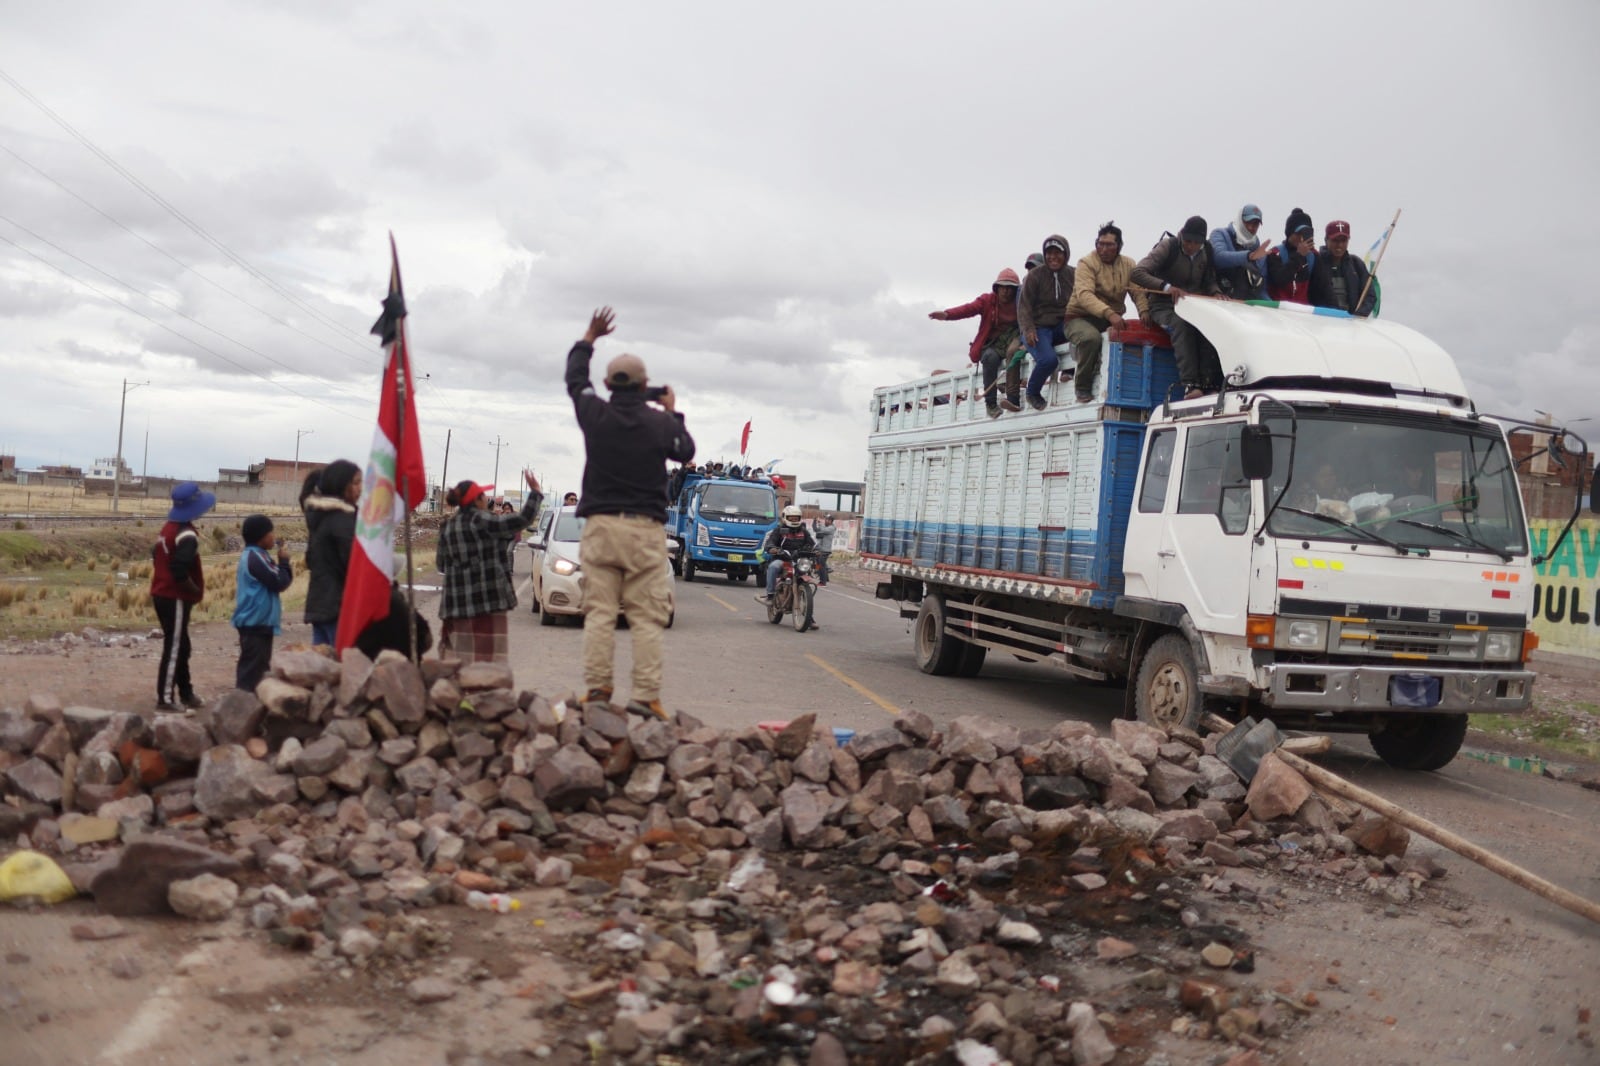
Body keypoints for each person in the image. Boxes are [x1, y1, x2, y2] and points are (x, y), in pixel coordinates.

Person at [566, 306, 696, 720]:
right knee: (645, 617)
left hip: (601, 528)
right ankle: (644, 695)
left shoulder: (594, 413)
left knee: (600, 613)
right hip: (645, 531)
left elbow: (574, 380)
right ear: (645, 387)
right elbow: (686, 451)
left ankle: (599, 690)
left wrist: (589, 337)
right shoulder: (658, 423)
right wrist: (671, 411)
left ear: (607, 384)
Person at [436, 472, 542, 663]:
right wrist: (535, 492)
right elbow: (522, 520)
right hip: (487, 604)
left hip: (455, 607)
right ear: (477, 501)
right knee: (488, 668)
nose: (488, 499)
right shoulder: (484, 521)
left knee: (456, 666)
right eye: (484, 496)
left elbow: (441, 565)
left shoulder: (447, 527)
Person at [1132, 216, 1224, 399]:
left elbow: (1210, 280)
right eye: (1187, 240)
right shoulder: (1168, 247)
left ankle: (1209, 384)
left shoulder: (1207, 251)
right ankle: (1190, 385)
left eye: (1196, 242)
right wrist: (1166, 287)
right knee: (1181, 326)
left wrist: (1216, 293)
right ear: (1182, 234)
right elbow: (1137, 272)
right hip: (1163, 305)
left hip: (1193, 306)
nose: (1190, 246)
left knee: (1210, 327)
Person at [1065, 222, 1150, 403]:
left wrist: (1144, 311)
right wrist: (1109, 313)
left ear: (1118, 246)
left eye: (1109, 245)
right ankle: (1082, 386)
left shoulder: (1128, 264)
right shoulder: (1086, 263)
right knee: (1091, 338)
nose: (1103, 249)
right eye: (1100, 244)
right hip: (1079, 317)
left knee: (1132, 335)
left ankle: (1124, 385)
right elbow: (1084, 295)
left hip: (1110, 318)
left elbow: (1137, 291)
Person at [150, 481, 215, 711]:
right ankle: (165, 698)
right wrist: (193, 589)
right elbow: (179, 569)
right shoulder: (187, 534)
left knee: (182, 645)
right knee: (175, 646)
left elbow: (155, 555)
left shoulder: (168, 528)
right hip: (174, 596)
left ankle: (186, 692)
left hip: (161, 593)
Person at [928, 268, 1024, 418]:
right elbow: (967, 309)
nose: (1005, 291)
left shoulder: (1021, 302)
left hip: (1014, 336)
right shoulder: (987, 301)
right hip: (993, 342)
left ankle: (1012, 398)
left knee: (1013, 352)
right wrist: (947, 315)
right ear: (996, 288)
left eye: (1009, 288)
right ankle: (991, 404)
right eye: (1002, 287)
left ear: (1015, 290)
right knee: (989, 358)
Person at [232, 514, 293, 694]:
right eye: (270, 533)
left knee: (257, 667)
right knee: (252, 670)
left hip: (259, 621)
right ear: (261, 537)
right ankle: (243, 707)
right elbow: (279, 582)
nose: (273, 537)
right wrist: (285, 563)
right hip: (254, 621)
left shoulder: (257, 555)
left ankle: (250, 706)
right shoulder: (255, 558)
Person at [303, 458, 361, 648]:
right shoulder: (342, 521)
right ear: (341, 485)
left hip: (320, 604)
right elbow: (354, 564)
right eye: (355, 482)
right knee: (342, 666)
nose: (360, 488)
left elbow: (310, 560)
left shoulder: (320, 517)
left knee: (321, 668)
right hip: (339, 606)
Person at [1017, 235, 1076, 410]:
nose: (1053, 257)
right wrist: (1028, 329)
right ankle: (1032, 392)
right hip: (1038, 327)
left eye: (1058, 252)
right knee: (1049, 360)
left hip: (1061, 325)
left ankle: (1070, 374)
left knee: (1083, 334)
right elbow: (1024, 307)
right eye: (1049, 253)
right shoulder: (1034, 276)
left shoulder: (1073, 274)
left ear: (1066, 254)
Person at [757, 505, 818, 619]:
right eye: (791, 518)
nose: (794, 520)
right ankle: (770, 596)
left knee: (807, 577)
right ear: (785, 517)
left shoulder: (803, 531)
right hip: (783, 559)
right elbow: (770, 542)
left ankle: (809, 616)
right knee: (773, 567)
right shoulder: (779, 530)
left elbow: (812, 544)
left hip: (798, 561)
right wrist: (773, 548)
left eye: (796, 518)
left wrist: (817, 551)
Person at [1309, 220, 1376, 316]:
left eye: (1343, 241)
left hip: (1351, 322)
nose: (1339, 245)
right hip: (1322, 321)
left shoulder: (1357, 264)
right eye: (1335, 240)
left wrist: (1360, 314)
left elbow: (1369, 295)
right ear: (1326, 240)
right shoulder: (1315, 262)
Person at [1210, 204, 1270, 300]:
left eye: (1255, 224)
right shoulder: (1220, 234)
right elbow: (1218, 257)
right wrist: (1248, 256)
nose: (1251, 227)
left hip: (1243, 307)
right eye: (1248, 222)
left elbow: (1261, 288)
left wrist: (1273, 306)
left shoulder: (1259, 250)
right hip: (1220, 301)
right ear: (1240, 220)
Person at [1266, 208, 1318, 304]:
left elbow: (1322, 289)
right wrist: (1299, 256)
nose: (1301, 237)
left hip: (1302, 312)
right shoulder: (1275, 253)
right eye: (1298, 233)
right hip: (1277, 311)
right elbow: (1280, 280)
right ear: (1289, 233)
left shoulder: (1314, 257)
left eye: (1305, 233)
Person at [812, 513, 837, 586]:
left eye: (827, 519)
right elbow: (815, 529)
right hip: (820, 549)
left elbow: (822, 530)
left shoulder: (831, 528)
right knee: (819, 565)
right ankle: (825, 577)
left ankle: (823, 582)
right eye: (825, 519)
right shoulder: (824, 527)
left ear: (831, 521)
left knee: (821, 565)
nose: (826, 520)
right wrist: (814, 521)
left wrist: (819, 523)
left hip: (825, 550)